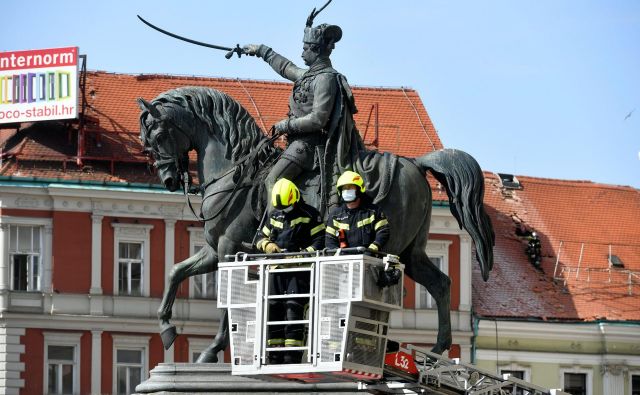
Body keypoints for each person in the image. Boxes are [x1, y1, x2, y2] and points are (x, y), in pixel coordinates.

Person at [243, 12, 362, 212]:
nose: (302, 53)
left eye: (305, 49)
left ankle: (279, 227)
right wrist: (261, 51)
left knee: (273, 179)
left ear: (315, 50)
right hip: (298, 143)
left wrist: (286, 125)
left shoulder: (326, 79)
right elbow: (286, 68)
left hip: (309, 146)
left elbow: (318, 119)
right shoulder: (310, 75)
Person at [256, 178, 325, 364]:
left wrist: (300, 256)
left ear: (294, 198)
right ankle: (275, 356)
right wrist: (267, 245)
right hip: (276, 270)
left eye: (286, 207)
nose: (284, 211)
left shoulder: (310, 215)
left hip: (299, 272)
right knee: (273, 310)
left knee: (293, 310)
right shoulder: (275, 214)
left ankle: (291, 357)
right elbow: (260, 237)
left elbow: (320, 243)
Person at [325, 171, 390, 252]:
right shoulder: (335, 215)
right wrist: (339, 255)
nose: (346, 191)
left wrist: (371, 250)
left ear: (359, 189)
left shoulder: (373, 212)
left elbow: (383, 232)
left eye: (350, 187)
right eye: (344, 188)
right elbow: (330, 240)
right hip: (343, 261)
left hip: (369, 259)